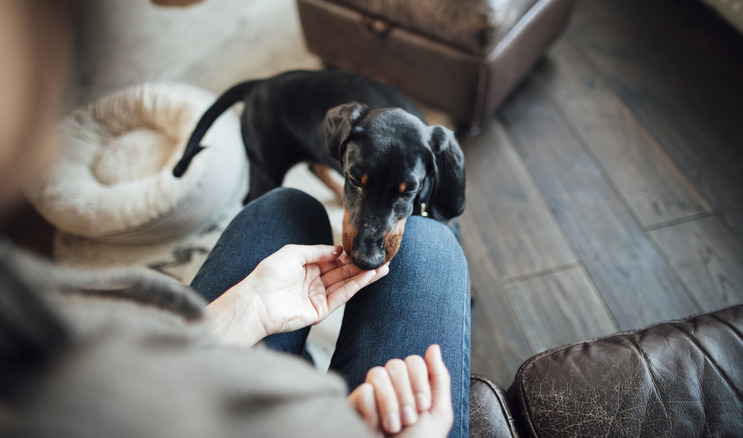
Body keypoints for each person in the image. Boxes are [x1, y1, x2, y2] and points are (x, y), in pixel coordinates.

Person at [0, 1, 471, 437]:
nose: (367, 246)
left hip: (226, 330)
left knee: (287, 208)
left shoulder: (41, 310)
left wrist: (243, 310)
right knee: (425, 244)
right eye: (357, 181)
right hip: (272, 121)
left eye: (403, 196)